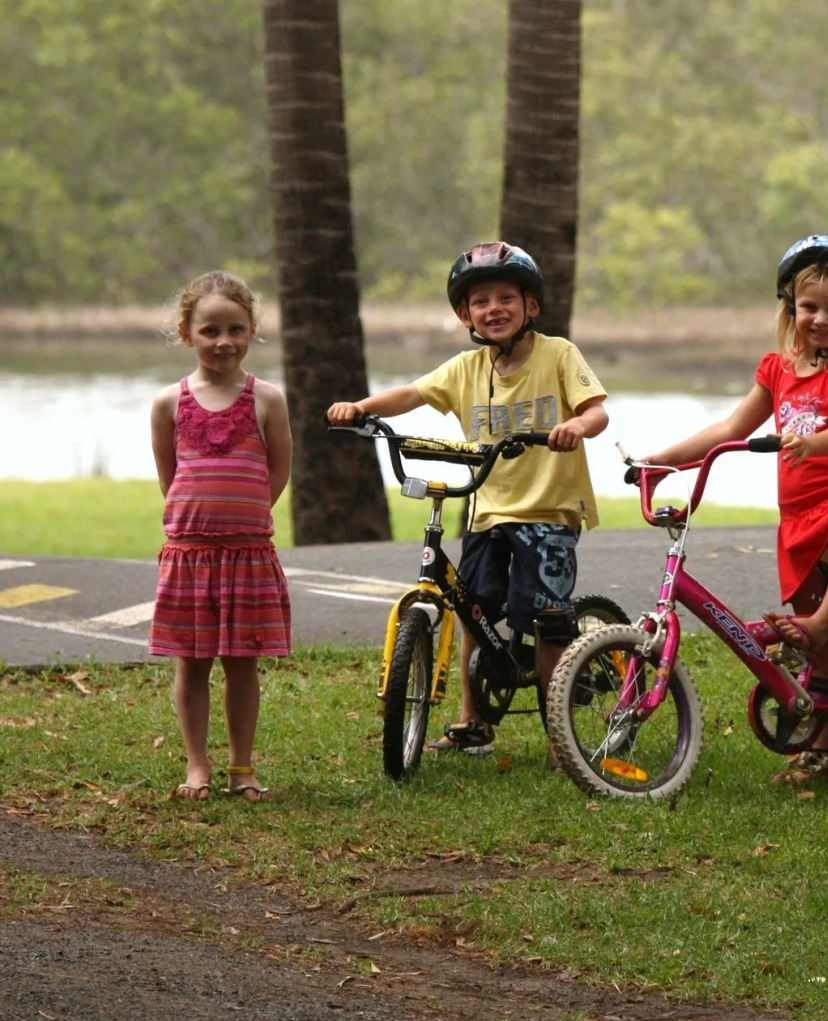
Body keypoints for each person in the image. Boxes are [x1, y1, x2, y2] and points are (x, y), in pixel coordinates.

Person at [326, 242, 609, 754]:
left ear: (532, 307)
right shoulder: (464, 369)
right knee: (470, 609)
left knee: (546, 621)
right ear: (464, 315)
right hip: (489, 511)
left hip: (548, 511)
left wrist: (575, 425)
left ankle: (561, 736)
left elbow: (597, 411)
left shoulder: (559, 355)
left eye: (507, 297)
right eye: (480, 302)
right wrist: (360, 408)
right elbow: (411, 395)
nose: (494, 308)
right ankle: (471, 720)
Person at [641, 234, 828, 783]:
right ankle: (825, 746)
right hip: (798, 519)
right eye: (809, 307)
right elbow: (731, 429)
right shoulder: (777, 369)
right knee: (823, 656)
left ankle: (825, 621)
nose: (821, 319)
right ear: (790, 307)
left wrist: (814, 442)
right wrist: (664, 460)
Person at [149, 270, 292, 802]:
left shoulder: (268, 399)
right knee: (192, 662)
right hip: (189, 556)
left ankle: (242, 767)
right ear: (187, 333)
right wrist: (199, 523)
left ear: (252, 329)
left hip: (248, 555)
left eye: (235, 329)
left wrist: (247, 516)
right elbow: (171, 478)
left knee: (242, 665)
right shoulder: (169, 403)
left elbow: (277, 472)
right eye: (210, 331)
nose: (224, 341)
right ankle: (196, 765)